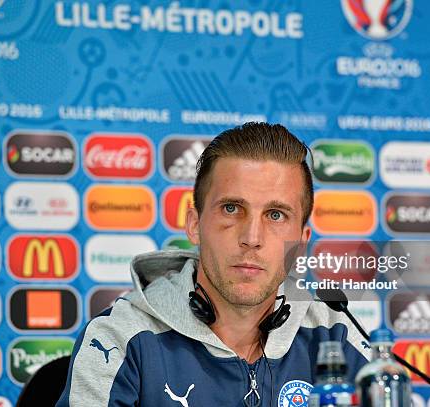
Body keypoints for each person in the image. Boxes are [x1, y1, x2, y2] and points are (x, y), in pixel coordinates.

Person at [56, 122, 369, 406]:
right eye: (232, 208)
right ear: (194, 224)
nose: (252, 237)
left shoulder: (336, 336)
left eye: (276, 215)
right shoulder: (121, 338)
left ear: (300, 243)